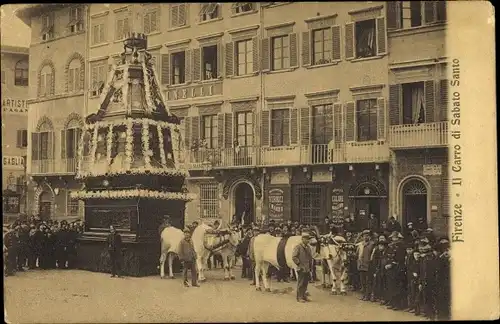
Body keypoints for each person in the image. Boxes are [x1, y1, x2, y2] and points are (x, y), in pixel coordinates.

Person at [292, 232, 313, 303]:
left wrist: (310, 266)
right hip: (301, 268)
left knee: (305, 283)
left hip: (307, 268)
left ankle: (304, 296)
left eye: (308, 239)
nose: (308, 241)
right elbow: (294, 257)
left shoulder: (308, 247)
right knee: (300, 283)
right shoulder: (298, 247)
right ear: (302, 239)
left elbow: (310, 257)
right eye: (306, 239)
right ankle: (299, 297)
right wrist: (299, 264)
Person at [357, 229, 375, 301]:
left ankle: (368, 295)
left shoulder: (372, 244)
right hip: (361, 265)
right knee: (362, 281)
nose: (365, 237)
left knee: (368, 281)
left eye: (367, 236)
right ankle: (364, 294)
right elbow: (357, 254)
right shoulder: (360, 244)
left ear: (370, 237)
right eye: (364, 236)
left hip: (368, 265)